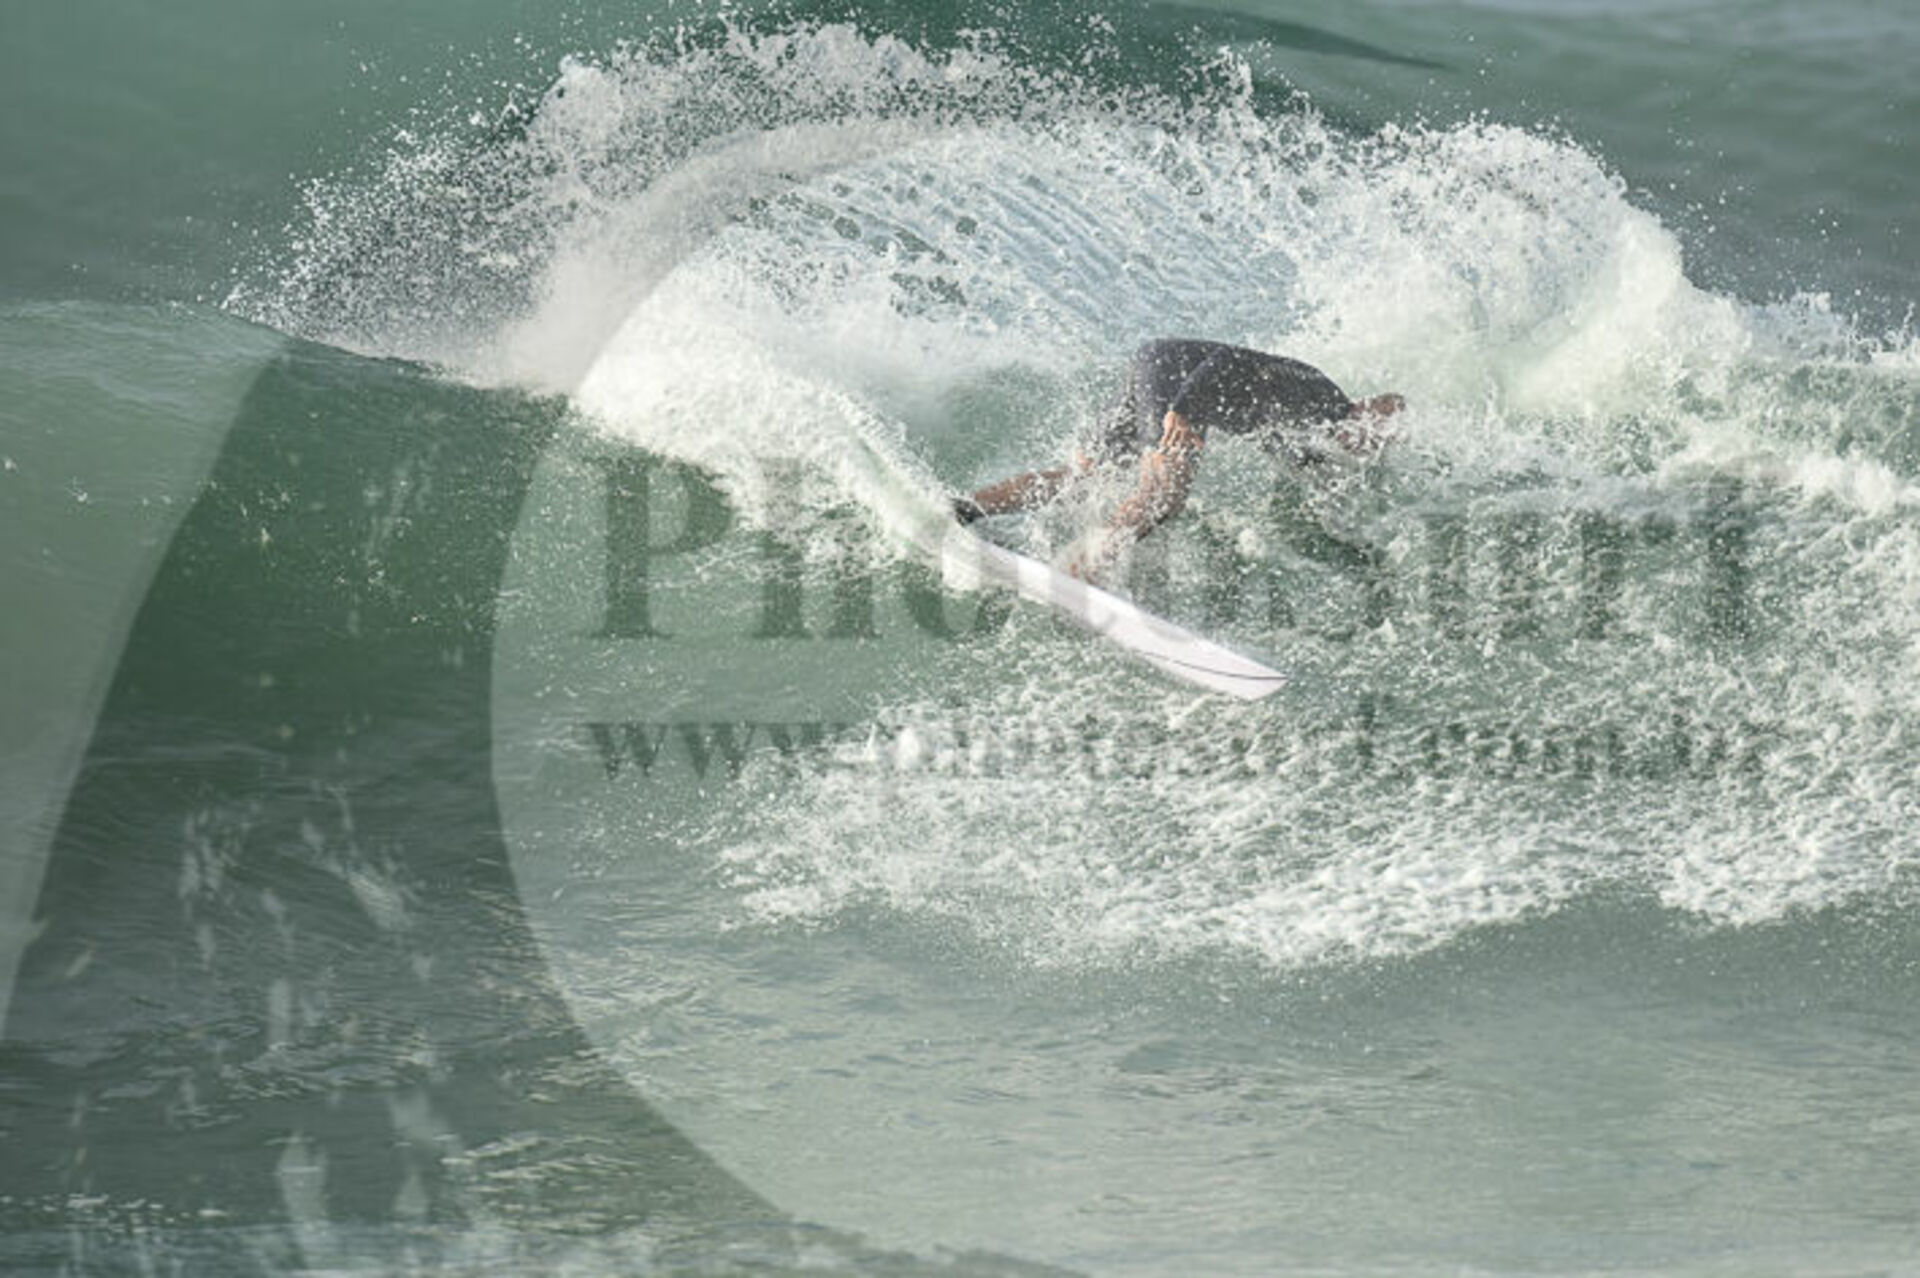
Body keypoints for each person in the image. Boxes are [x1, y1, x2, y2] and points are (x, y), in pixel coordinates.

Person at [952, 338, 1404, 580]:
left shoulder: (1313, 444)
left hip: (1158, 365)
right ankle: (1076, 571)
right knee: (1163, 495)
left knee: (1084, 477)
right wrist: (1183, 410)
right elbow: (1230, 360)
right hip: (1178, 379)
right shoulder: (1321, 394)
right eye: (1375, 432)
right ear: (1366, 409)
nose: (1369, 446)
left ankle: (966, 507)